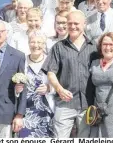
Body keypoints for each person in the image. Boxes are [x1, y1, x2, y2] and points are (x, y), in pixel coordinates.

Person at [42, 10, 98, 138]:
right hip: (65, 103)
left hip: (87, 104)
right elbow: (51, 72)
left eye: (76, 23)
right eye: (70, 23)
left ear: (84, 24)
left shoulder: (94, 47)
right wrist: (59, 89)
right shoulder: (58, 47)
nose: (73, 26)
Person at [15, 31, 55, 138]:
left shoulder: (51, 61)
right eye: (32, 42)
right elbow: (14, 86)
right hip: (26, 111)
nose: (36, 45)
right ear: (28, 43)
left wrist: (49, 88)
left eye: (40, 42)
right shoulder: (21, 61)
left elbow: (60, 84)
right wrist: (17, 90)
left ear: (44, 44)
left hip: (46, 111)